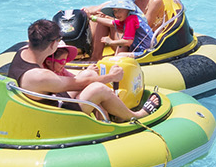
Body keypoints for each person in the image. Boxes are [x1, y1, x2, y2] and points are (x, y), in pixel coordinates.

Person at [10, 19, 160, 120]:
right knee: (99, 89)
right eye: (58, 41)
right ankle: (136, 115)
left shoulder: (23, 52)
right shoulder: (39, 76)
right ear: (51, 45)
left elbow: (77, 80)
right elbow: (78, 83)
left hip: (46, 102)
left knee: (89, 73)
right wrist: (111, 77)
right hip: (57, 116)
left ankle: (106, 117)